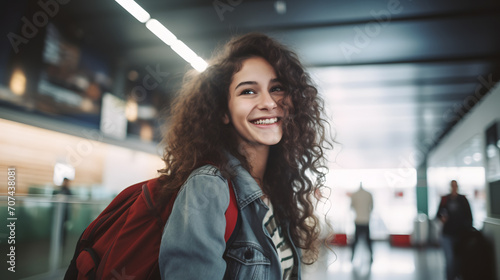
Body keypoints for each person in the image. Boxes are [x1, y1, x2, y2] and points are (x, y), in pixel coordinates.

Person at [157, 33, 331, 279]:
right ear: (223, 112)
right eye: (248, 91)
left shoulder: (274, 188)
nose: (269, 102)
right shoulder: (208, 186)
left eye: (277, 88)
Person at [436, 180, 473, 280]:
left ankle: (459, 276)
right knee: (450, 260)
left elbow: (469, 216)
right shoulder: (445, 199)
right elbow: (437, 214)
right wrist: (442, 218)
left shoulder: (463, 199)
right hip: (447, 234)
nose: (454, 187)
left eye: (455, 185)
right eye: (452, 186)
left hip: (461, 235)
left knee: (459, 260)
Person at [350, 182, 373, 263]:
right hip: (366, 220)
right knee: (368, 240)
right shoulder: (368, 194)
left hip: (358, 220)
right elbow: (372, 207)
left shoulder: (354, 194)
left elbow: (351, 206)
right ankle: (371, 257)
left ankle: (352, 257)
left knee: (355, 240)